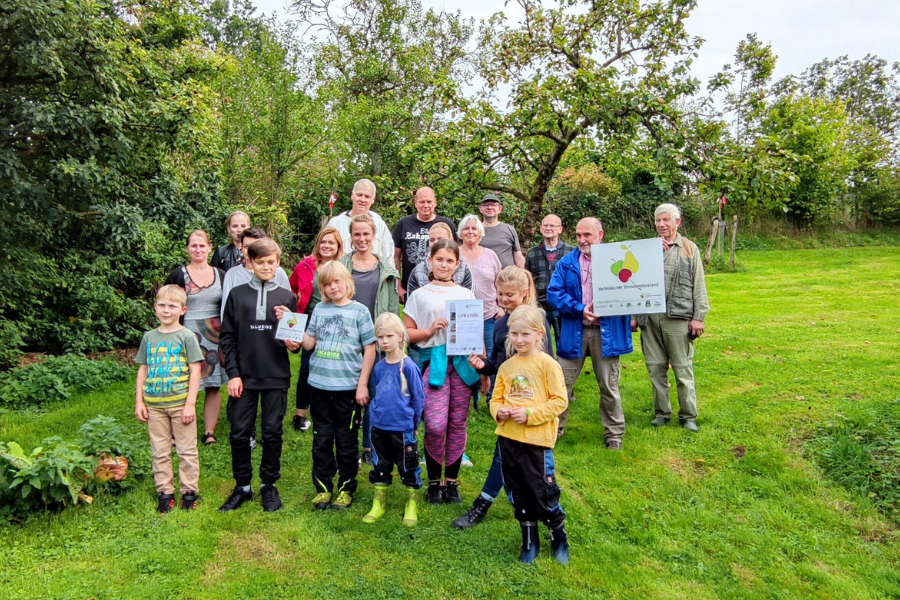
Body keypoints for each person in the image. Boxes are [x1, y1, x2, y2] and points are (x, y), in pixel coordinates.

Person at [454, 267, 554, 530]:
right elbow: (497, 364)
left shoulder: (537, 322)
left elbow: (549, 366)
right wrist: (481, 365)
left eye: (510, 295)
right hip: (507, 404)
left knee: (514, 459)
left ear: (524, 293)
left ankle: (489, 505)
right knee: (507, 455)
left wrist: (540, 409)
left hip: (532, 407)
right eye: (500, 294)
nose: (504, 299)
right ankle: (536, 509)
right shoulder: (500, 324)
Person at [218, 239, 300, 513]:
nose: (266, 267)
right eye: (260, 262)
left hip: (275, 375)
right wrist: (233, 374)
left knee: (273, 432)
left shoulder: (288, 298)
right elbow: (227, 337)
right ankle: (242, 486)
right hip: (244, 376)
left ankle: (268, 484)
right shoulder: (237, 295)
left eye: (271, 262)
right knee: (239, 433)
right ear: (249, 263)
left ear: (278, 263)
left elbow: (293, 345)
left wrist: (288, 323)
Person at [490, 304, 569, 564]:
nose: (519, 340)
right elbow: (496, 398)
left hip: (537, 441)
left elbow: (559, 401)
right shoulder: (507, 367)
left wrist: (530, 415)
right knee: (517, 490)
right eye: (514, 334)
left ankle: (558, 535)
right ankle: (529, 540)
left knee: (541, 490)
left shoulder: (548, 365)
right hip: (508, 438)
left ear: (539, 334)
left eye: (526, 334)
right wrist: (498, 412)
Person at [403, 240, 479, 505]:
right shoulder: (420, 295)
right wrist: (429, 331)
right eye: (440, 260)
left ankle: (452, 483)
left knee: (457, 422)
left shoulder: (466, 294)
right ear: (430, 262)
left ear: (457, 265)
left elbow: (474, 334)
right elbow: (407, 333)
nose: (444, 265)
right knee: (435, 424)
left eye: (450, 261)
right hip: (432, 362)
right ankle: (434, 481)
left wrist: (481, 367)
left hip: (461, 365)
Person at [547, 217, 633, 449]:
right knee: (560, 383)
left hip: (607, 333)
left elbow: (635, 289)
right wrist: (580, 309)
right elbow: (553, 294)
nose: (582, 240)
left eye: (587, 235)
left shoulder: (619, 259)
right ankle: (553, 430)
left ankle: (614, 434)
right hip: (574, 331)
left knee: (608, 386)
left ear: (601, 235)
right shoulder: (567, 263)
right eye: (578, 235)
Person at [301, 261, 377, 512]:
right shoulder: (319, 310)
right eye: (327, 284)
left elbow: (370, 348)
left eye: (337, 282)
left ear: (347, 282)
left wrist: (362, 384)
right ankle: (323, 489)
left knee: (346, 441)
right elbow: (309, 343)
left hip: (348, 390)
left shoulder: (360, 312)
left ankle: (346, 488)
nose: (333, 287)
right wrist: (289, 326)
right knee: (321, 440)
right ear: (321, 287)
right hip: (319, 387)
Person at [632, 203, 710, 432]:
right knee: (655, 367)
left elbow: (699, 285)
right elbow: (635, 283)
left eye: (666, 220)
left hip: (678, 317)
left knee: (682, 367)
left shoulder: (689, 248)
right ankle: (662, 412)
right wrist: (635, 315)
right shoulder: (646, 248)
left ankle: (688, 415)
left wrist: (699, 316)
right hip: (650, 317)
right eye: (657, 220)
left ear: (678, 222)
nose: (661, 224)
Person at [135, 284, 204, 514]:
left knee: (186, 450)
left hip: (180, 404)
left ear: (182, 310)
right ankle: (165, 491)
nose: (166, 310)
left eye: (172, 306)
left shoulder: (187, 337)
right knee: (160, 450)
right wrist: (139, 401)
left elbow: (195, 371)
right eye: (162, 305)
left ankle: (189, 491)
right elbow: (143, 369)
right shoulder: (149, 337)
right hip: (154, 406)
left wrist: (190, 404)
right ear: (155, 307)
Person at [339, 213, 400, 466]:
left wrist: (395, 343)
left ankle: (369, 445)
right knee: (348, 394)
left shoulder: (386, 269)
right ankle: (347, 444)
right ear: (351, 237)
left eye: (366, 234)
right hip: (346, 339)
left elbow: (394, 310)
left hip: (376, 341)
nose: (362, 238)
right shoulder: (342, 265)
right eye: (357, 234)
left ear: (374, 236)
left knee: (373, 395)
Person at [164, 230, 227, 446]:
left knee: (213, 384)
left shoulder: (221, 275)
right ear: (187, 248)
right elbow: (167, 303)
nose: (198, 250)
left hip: (214, 337)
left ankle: (209, 432)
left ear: (210, 247)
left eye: (202, 245)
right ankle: (176, 432)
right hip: (185, 336)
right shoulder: (178, 275)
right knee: (182, 384)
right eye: (193, 246)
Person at [361, 313, 425, 526]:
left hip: (403, 428)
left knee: (409, 466)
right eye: (380, 337)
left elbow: (418, 398)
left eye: (389, 336)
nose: (385, 341)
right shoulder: (378, 367)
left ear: (400, 337)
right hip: (379, 427)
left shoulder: (408, 367)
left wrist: (414, 424)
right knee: (381, 465)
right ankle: (379, 503)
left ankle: (412, 504)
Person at [288, 226, 344, 433]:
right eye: (323, 241)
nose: (327, 245)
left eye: (332, 242)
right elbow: (291, 290)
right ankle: (300, 415)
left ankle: (330, 411)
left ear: (338, 246)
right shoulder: (305, 266)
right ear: (318, 244)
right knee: (306, 366)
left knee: (333, 363)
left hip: (337, 318)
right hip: (310, 319)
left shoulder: (343, 266)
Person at [392, 186, 457, 302]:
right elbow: (396, 256)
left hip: (442, 286)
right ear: (415, 202)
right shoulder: (403, 224)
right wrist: (398, 284)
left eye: (429, 202)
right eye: (422, 202)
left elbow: (455, 254)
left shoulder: (446, 224)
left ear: (435, 202)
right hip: (413, 286)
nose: (425, 205)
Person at [458, 214, 503, 377]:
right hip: (461, 315)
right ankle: (469, 393)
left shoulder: (490, 254)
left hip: (489, 313)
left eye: (474, 228)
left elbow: (500, 282)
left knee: (491, 354)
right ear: (460, 232)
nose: (470, 231)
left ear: (480, 232)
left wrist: (501, 307)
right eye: (466, 228)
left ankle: (492, 396)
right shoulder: (454, 254)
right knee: (465, 355)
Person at [220, 227, 292, 319]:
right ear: (241, 248)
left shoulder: (279, 272)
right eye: (246, 246)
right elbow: (226, 311)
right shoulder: (232, 274)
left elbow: (288, 305)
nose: (251, 250)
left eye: (255, 245)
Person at [525, 214, 574, 344]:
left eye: (552, 225)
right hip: (540, 306)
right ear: (540, 229)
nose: (548, 228)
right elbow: (528, 281)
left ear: (560, 229)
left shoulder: (571, 252)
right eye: (545, 225)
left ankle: (562, 365)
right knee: (539, 343)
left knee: (564, 343)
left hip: (563, 305)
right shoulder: (532, 253)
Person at [326, 178, 394, 259]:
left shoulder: (379, 225)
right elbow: (325, 253)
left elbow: (389, 256)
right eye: (359, 195)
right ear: (352, 195)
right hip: (341, 270)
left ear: (373, 200)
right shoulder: (335, 223)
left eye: (367, 196)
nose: (362, 199)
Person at [405, 222, 475, 299]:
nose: (435, 243)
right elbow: (412, 302)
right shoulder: (417, 271)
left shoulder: (465, 271)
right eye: (432, 240)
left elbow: (468, 303)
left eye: (440, 239)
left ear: (451, 240)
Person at [478, 193, 524, 268]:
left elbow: (518, 257)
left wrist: (520, 274)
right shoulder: (474, 230)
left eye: (493, 205)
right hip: (482, 277)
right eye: (486, 205)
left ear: (500, 209)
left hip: (507, 277)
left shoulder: (509, 229)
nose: (489, 207)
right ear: (481, 209)